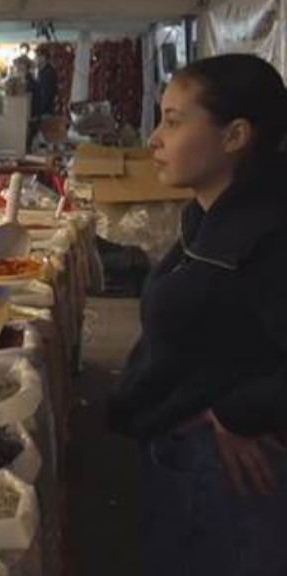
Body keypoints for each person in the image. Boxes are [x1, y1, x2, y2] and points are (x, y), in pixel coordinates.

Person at [107, 54, 287, 576]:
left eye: (173, 122)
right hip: (184, 454)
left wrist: (240, 411)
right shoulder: (208, 215)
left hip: (231, 479)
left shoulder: (269, 234)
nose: (154, 139)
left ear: (234, 136)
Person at [31, 49, 58, 149]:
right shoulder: (43, 71)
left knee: (44, 140)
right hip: (45, 111)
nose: (35, 59)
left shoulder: (47, 73)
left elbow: (46, 95)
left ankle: (47, 155)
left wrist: (38, 114)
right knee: (43, 140)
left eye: (36, 57)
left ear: (43, 58)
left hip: (45, 112)